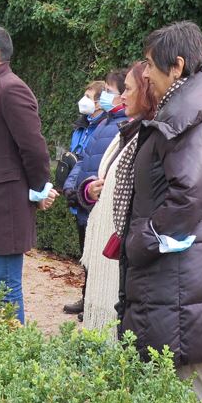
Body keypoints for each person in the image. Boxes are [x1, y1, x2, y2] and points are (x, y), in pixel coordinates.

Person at [119, 21, 202, 403]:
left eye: (151, 69)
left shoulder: (188, 114)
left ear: (176, 66)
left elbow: (188, 196)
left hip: (179, 270)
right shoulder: (201, 107)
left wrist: (142, 240)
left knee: (183, 388)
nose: (146, 77)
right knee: (181, 379)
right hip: (190, 267)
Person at [0, 24, 57, 324]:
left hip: (6, 206)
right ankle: (1, 347)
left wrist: (40, 190)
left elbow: (34, 148)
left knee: (4, 286)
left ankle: (13, 351)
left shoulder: (10, 88)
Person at [79, 62, 158, 334]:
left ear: (146, 92)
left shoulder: (147, 137)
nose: (122, 96)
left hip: (121, 245)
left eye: (127, 89)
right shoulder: (125, 131)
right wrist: (89, 189)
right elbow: (100, 173)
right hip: (106, 241)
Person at [62, 69, 128, 316]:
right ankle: (88, 299)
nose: (103, 99)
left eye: (110, 93)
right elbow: (82, 159)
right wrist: (74, 187)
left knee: (103, 263)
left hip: (101, 207)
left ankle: (98, 305)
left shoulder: (123, 125)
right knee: (87, 256)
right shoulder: (102, 124)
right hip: (85, 200)